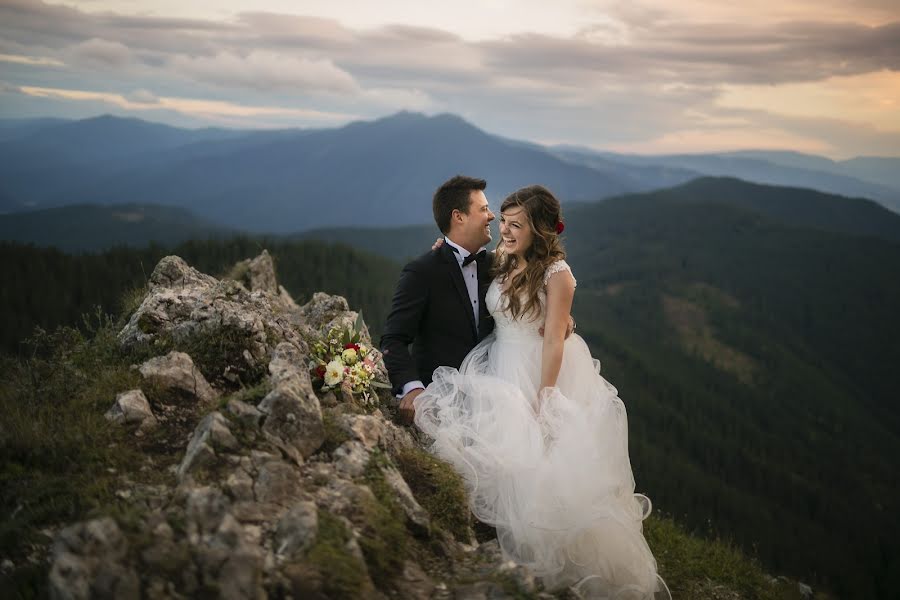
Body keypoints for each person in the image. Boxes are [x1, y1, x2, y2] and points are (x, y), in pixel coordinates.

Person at [411, 185, 671, 599]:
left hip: (537, 370)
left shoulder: (558, 275)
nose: (506, 231)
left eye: (516, 226)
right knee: (495, 453)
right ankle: (492, 534)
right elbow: (467, 263)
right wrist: (443, 245)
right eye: (505, 222)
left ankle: (545, 557)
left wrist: (544, 395)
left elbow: (553, 340)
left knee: (539, 463)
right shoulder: (501, 259)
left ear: (540, 230)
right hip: (496, 363)